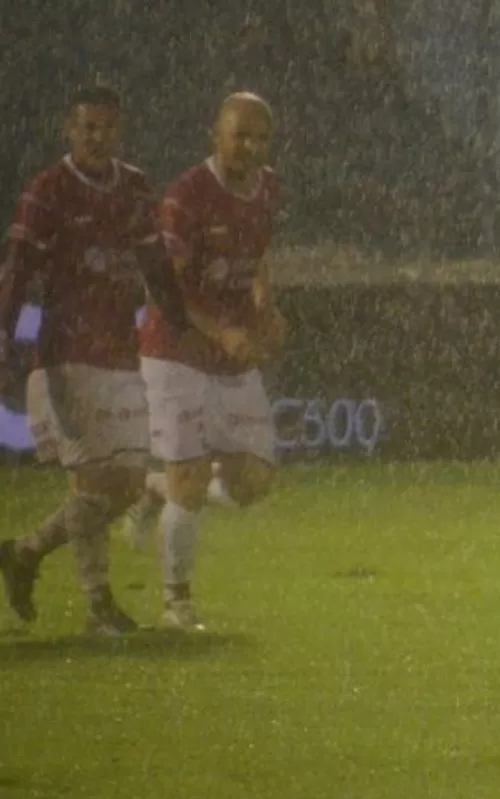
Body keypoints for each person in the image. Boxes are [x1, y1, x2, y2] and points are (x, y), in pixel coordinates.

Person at [0, 85, 175, 635]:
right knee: (96, 481)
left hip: (122, 352)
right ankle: (99, 605)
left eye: (108, 128)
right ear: (68, 131)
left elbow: (155, 263)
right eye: (88, 128)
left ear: (120, 132)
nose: (98, 138)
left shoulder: (136, 187)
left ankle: (25, 552)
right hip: (69, 353)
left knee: (126, 484)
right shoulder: (48, 192)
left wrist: (184, 326)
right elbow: (17, 271)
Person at [136, 91, 287, 631]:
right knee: (193, 477)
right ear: (215, 136)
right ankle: (177, 605)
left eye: (260, 137)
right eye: (239, 135)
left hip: (231, 354)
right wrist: (219, 328)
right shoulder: (187, 196)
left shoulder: (268, 189)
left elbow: (259, 256)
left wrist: (265, 308)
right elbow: (166, 289)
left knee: (255, 481)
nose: (250, 146)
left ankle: (157, 488)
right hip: (175, 354)